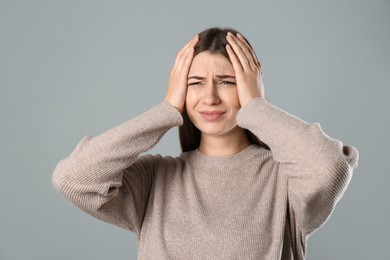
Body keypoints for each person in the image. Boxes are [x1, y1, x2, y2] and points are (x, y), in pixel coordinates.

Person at [52, 27, 359, 260]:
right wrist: (167, 110)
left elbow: (329, 167)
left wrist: (256, 106)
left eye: (226, 81)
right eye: (195, 83)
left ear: (249, 86)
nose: (210, 97)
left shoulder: (286, 179)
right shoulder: (154, 180)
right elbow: (73, 178)